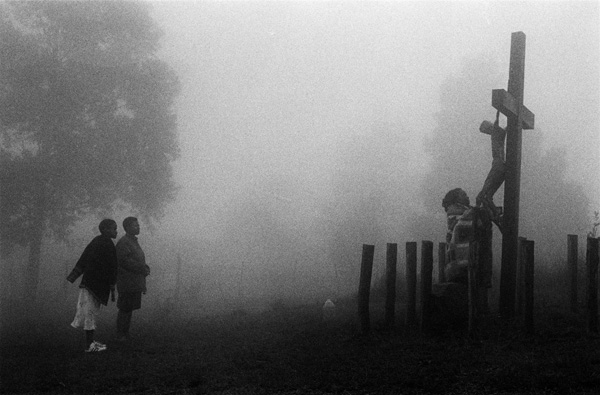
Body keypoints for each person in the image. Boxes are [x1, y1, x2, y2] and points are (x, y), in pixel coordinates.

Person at [67, 219, 118, 352]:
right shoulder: (104, 244)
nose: (116, 231)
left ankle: (90, 342)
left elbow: (85, 259)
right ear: (105, 229)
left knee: (91, 312)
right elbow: (110, 266)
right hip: (94, 283)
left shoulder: (100, 242)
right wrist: (112, 284)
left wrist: (74, 276)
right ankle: (89, 345)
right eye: (113, 228)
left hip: (93, 282)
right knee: (90, 312)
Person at [115, 216, 150, 341]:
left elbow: (135, 259)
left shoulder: (133, 241)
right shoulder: (124, 242)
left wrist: (145, 267)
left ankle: (126, 333)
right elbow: (124, 261)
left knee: (129, 308)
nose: (138, 227)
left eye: (138, 225)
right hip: (126, 281)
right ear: (127, 228)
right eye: (135, 225)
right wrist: (141, 268)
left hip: (134, 281)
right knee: (124, 308)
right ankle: (120, 334)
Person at [476, 112, 506, 231]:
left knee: (482, 196)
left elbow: (496, 121)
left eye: (484, 129)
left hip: (498, 164)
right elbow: (505, 126)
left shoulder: (495, 131)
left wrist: (498, 109)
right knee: (487, 196)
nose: (485, 131)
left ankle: (493, 214)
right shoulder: (501, 132)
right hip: (502, 165)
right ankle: (497, 216)